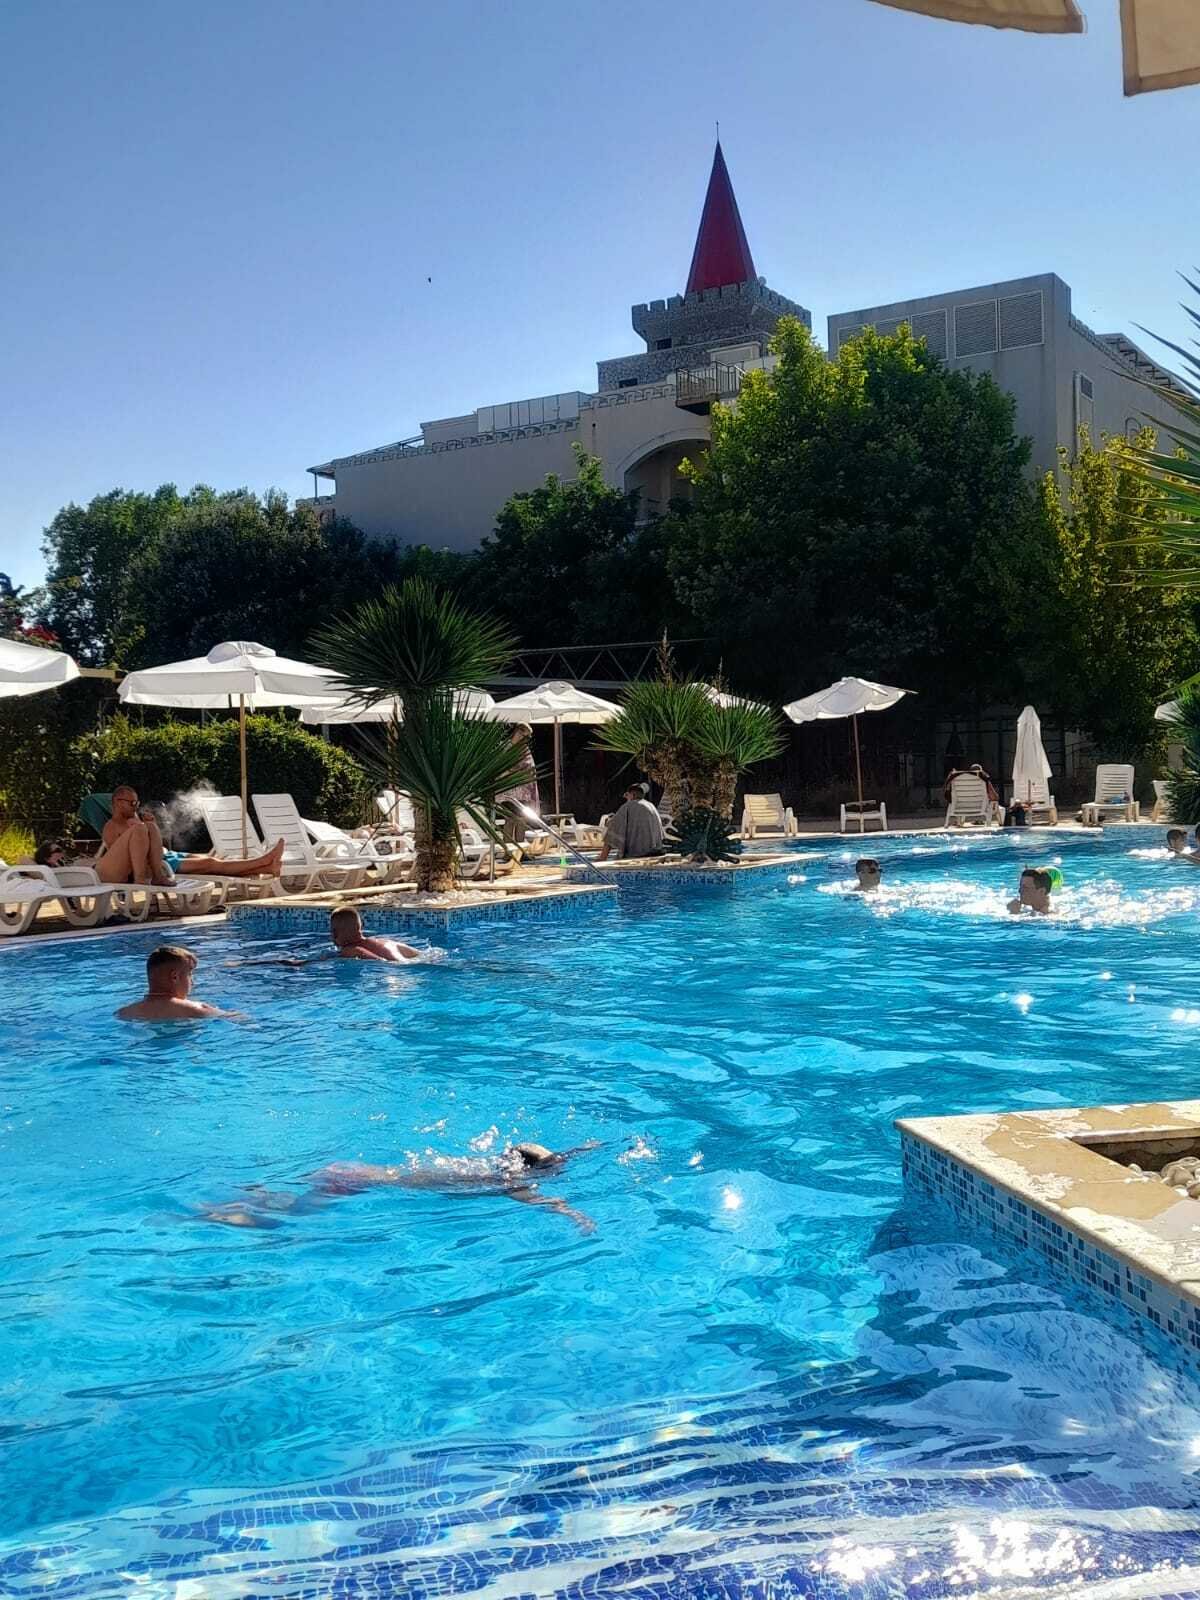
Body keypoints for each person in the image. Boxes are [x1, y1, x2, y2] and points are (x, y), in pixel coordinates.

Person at [202, 1139, 601, 1233]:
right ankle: (223, 1216)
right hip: (351, 1180)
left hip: (353, 1170)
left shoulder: (490, 1166)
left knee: (292, 1204)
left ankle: (253, 1195)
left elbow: (548, 1158)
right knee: (290, 1222)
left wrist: (586, 1147)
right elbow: (540, 1200)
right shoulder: (507, 1181)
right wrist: (574, 1214)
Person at [94, 785, 285, 887]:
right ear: (117, 802)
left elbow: (151, 839)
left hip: (167, 855)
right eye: (132, 803)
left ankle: (267, 867)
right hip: (161, 863)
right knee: (211, 865)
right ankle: (264, 861)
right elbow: (128, 859)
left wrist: (151, 825)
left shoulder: (134, 819)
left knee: (213, 862)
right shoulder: (111, 827)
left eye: (137, 802)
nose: (136, 806)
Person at [116, 945, 226, 1021]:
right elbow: (233, 1018)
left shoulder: (124, 1013)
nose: (193, 982)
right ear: (174, 977)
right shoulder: (197, 1009)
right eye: (190, 974)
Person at [597, 783, 664, 862]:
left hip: (638, 852)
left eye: (627, 795)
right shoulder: (651, 805)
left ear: (632, 795)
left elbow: (613, 825)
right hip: (656, 850)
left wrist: (608, 821)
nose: (626, 798)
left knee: (612, 829)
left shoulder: (628, 806)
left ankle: (603, 857)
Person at [329, 906, 420, 962]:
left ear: (335, 933)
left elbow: (380, 961)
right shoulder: (386, 942)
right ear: (360, 926)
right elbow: (420, 955)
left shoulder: (350, 950)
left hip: (396, 969)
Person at [498, 723, 539, 844]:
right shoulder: (505, 748)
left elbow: (530, 767)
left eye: (527, 737)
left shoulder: (524, 750)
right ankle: (508, 849)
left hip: (522, 792)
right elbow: (500, 767)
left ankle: (520, 849)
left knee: (521, 820)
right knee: (510, 819)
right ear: (517, 732)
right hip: (507, 792)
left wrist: (515, 770)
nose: (524, 739)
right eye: (523, 735)